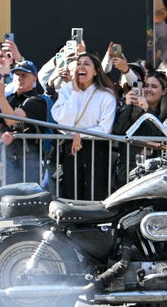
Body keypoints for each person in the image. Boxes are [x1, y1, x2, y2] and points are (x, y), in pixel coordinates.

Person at [50, 53, 117, 200]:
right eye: (79, 63)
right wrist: (75, 93)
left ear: (96, 71)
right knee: (72, 190)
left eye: (86, 64)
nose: (81, 66)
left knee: (94, 191)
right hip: (71, 146)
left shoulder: (106, 94)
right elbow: (63, 120)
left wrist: (80, 135)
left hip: (96, 148)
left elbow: (105, 128)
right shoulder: (67, 90)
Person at [112, 69, 167, 186]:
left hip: (155, 171)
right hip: (127, 168)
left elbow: (162, 136)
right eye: (146, 86)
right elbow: (118, 130)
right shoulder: (133, 108)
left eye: (154, 86)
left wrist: (147, 111)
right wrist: (127, 105)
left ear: (164, 91)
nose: (148, 89)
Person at [0, 59, 48, 187]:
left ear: (34, 78)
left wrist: (0, 94)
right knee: (6, 198)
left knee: (28, 200)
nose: (19, 78)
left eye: (24, 75)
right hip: (8, 159)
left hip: (30, 161)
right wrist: (1, 136)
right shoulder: (9, 99)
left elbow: (11, 120)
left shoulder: (37, 101)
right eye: (16, 74)